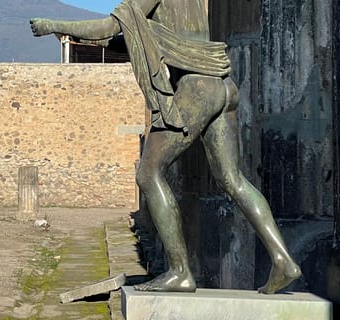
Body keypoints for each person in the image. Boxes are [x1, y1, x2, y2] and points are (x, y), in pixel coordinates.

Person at [30, 0, 301, 294]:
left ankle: (180, 271)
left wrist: (52, 25)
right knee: (232, 180)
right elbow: (136, 39)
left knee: (149, 174)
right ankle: (283, 260)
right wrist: (87, 37)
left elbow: (108, 26)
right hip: (223, 86)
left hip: (196, 89)